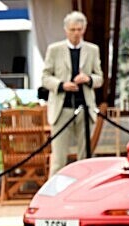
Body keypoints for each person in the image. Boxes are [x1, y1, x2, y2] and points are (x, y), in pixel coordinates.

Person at [41, 11, 103, 174]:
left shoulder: (92, 50)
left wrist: (88, 79)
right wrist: (62, 85)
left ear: (84, 29)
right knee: (59, 159)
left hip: (85, 108)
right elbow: (45, 77)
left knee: (86, 158)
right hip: (62, 109)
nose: (76, 33)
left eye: (79, 29)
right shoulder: (54, 50)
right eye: (72, 29)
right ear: (66, 30)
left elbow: (100, 78)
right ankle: (53, 195)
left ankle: (85, 193)